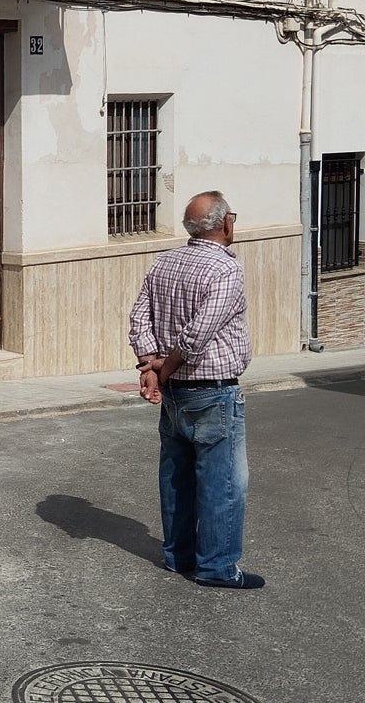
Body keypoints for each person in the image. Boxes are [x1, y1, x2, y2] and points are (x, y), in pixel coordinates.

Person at [129, 190, 262, 589]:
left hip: (174, 395)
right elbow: (196, 336)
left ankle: (179, 556)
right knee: (223, 483)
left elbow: (139, 318)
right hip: (212, 391)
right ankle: (217, 567)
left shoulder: (164, 262)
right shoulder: (225, 270)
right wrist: (163, 370)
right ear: (226, 224)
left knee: (176, 476)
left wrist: (148, 366)